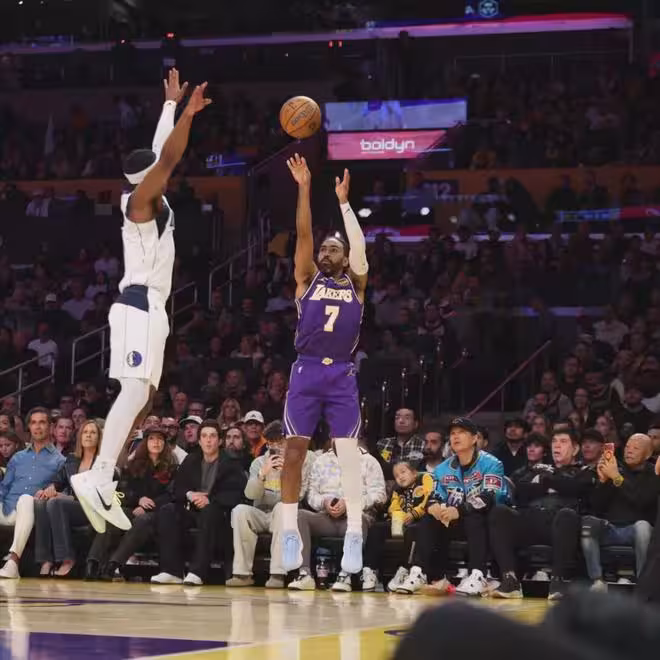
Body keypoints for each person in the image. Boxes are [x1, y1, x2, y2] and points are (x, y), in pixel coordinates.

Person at [70, 71, 211, 533]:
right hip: (137, 303)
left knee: (146, 398)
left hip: (152, 308)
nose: (162, 172)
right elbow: (167, 157)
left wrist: (170, 106)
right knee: (133, 390)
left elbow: (158, 150)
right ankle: (98, 474)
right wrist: (188, 116)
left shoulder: (148, 192)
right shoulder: (140, 203)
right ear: (146, 177)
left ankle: (103, 476)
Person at [280, 154, 369, 576]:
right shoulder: (306, 279)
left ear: (346, 257)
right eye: (324, 249)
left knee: (349, 454)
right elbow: (302, 233)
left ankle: (354, 532)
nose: (325, 252)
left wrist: (345, 203)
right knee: (294, 451)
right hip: (307, 369)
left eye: (334, 248)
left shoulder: (358, 284)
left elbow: (361, 249)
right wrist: (303, 188)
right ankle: (288, 530)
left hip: (341, 374)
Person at [397, 418, 509, 597]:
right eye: (453, 433)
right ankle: (419, 572)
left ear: (474, 438)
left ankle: (477, 575)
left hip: (487, 521)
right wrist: (433, 506)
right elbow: (435, 495)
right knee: (428, 518)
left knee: (474, 515)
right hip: (455, 521)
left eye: (462, 432)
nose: (456, 437)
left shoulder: (492, 463)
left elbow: (489, 497)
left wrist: (459, 510)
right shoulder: (442, 468)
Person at [489, 426, 596, 601]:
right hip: (531, 520)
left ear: (575, 448)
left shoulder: (584, 471)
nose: (557, 446)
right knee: (500, 512)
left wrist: (546, 482)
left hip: (559, 524)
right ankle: (510, 579)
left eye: (563, 442)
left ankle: (557, 582)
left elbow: (576, 489)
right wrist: (552, 484)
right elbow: (520, 491)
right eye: (554, 442)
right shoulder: (538, 468)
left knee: (567, 515)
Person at [151, 420, 246, 585]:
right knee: (168, 511)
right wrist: (190, 494)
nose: (208, 440)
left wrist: (210, 500)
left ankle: (197, 572)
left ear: (220, 441)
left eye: (212, 436)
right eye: (204, 436)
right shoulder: (191, 460)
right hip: (192, 509)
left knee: (209, 512)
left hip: (219, 512)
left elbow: (236, 493)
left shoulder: (231, 463)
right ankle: (172, 572)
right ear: (199, 441)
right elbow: (177, 488)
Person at [226, 421, 315, 588]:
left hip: (285, 514)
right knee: (239, 511)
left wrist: (287, 473)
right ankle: (242, 574)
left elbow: (300, 495)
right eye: (271, 444)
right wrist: (262, 475)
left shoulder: (302, 460)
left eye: (280, 443)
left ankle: (277, 574)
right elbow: (250, 495)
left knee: (282, 508)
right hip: (262, 512)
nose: (276, 448)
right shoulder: (259, 462)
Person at [287, 442, 386, 592]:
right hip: (326, 517)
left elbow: (379, 495)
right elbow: (311, 495)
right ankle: (305, 574)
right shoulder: (321, 461)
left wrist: (350, 504)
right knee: (299, 515)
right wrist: (324, 502)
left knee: (358, 520)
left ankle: (345, 575)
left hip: (355, 517)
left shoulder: (369, 461)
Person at [92, 426, 177, 581]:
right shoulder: (133, 465)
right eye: (152, 438)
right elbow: (124, 491)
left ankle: (114, 564)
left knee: (143, 520)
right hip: (133, 507)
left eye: (160, 439)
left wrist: (149, 505)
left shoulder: (172, 467)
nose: (156, 442)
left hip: (158, 512)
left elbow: (172, 494)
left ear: (165, 443)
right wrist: (139, 500)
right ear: (145, 442)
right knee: (112, 517)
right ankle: (93, 563)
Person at [581, 433, 658, 591]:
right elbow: (597, 506)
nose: (629, 450)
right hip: (611, 528)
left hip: (637, 530)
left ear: (648, 454)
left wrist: (616, 477)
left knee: (643, 527)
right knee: (588, 522)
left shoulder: (653, 474)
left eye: (635, 448)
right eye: (628, 446)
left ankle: (643, 584)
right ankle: (597, 580)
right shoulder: (616, 468)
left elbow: (642, 501)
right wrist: (603, 481)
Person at [0, 408, 65, 579]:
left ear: (50, 427)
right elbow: (4, 487)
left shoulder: (60, 460)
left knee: (26, 499)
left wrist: (52, 490)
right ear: (29, 427)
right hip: (7, 507)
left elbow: (61, 488)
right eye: (34, 423)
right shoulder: (17, 458)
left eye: (42, 422)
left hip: (31, 509)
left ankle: (13, 563)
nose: (38, 427)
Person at [33, 420, 104, 577]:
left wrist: (68, 497)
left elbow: (99, 495)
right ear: (80, 437)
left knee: (56, 503)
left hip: (93, 509)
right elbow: (59, 479)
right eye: (85, 432)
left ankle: (67, 558)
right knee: (41, 502)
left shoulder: (103, 463)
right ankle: (45, 559)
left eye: (93, 432)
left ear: (99, 438)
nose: (88, 435)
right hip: (72, 506)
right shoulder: (72, 459)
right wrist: (51, 488)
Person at [362, 460, 434, 592]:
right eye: (396, 476)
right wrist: (398, 515)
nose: (400, 477)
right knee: (376, 528)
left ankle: (403, 570)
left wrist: (414, 514)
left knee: (413, 530)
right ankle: (370, 570)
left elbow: (429, 499)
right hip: (402, 521)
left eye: (403, 472)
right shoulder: (397, 490)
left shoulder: (425, 478)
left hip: (421, 521)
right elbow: (393, 506)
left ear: (414, 473)